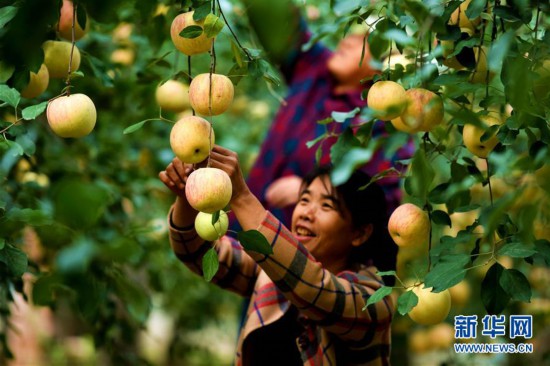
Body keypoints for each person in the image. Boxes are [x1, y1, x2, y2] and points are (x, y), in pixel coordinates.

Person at [159, 145, 397, 365]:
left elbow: (312, 287)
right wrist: (186, 197)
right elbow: (199, 253)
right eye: (304, 200)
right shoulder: (269, 274)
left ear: (360, 233)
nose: (306, 213)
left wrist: (241, 196)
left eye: (326, 206)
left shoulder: (374, 300)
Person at [239, 0, 414, 229]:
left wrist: (312, 192)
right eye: (352, 33)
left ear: (387, 68)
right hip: (242, 236)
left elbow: (379, 204)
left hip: (300, 258)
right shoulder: (314, 69)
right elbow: (274, 14)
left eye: (366, 41)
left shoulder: (386, 124)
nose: (349, 42)